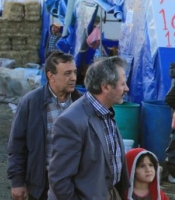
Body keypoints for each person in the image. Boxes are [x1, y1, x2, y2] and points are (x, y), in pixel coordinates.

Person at [48, 56, 130, 200]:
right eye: (122, 84)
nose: (127, 89)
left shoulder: (106, 111)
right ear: (105, 87)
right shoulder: (70, 122)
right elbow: (60, 180)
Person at [7, 52, 81, 200]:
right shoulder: (31, 103)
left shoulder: (81, 103)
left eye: (74, 72)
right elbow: (17, 145)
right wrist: (17, 182)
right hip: (41, 181)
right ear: (50, 76)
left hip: (75, 182)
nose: (73, 78)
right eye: (67, 73)